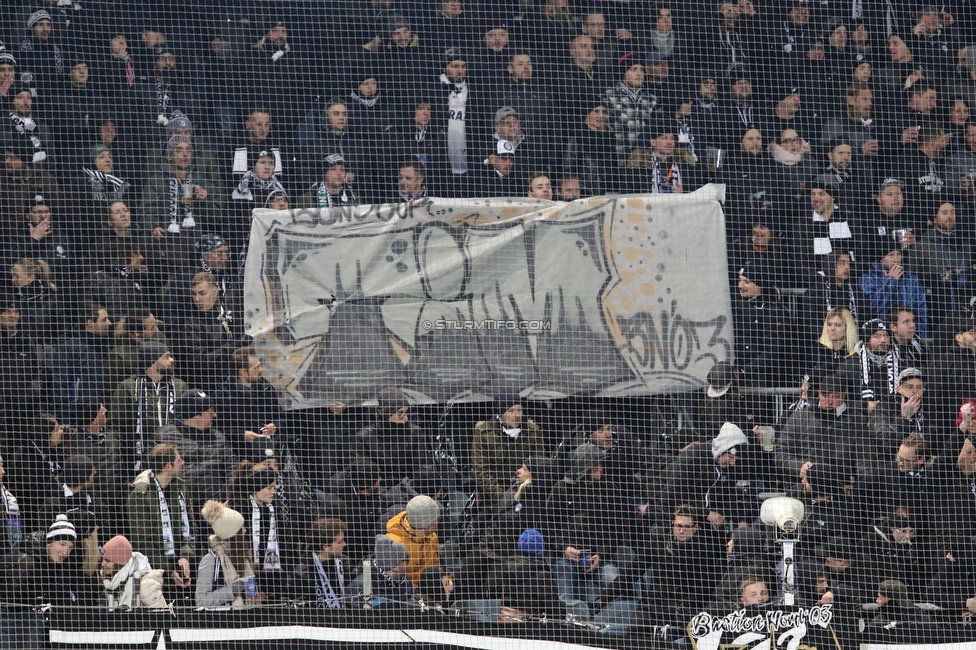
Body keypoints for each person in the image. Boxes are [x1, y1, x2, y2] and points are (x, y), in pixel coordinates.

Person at [126, 443, 194, 602]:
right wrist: (170, 570)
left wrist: (185, 556)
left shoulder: (181, 487)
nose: (183, 462)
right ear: (167, 466)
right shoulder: (139, 496)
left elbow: (190, 528)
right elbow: (142, 542)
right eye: (179, 459)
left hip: (183, 564)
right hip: (155, 571)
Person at [107, 341, 186, 474]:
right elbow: (115, 427)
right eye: (166, 357)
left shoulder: (179, 386)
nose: (172, 360)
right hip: (137, 462)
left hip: (174, 462)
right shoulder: (129, 388)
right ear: (153, 362)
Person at [472, 394, 544, 510]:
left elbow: (539, 467)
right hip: (491, 502)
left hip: (526, 498)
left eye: (519, 410)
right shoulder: (484, 433)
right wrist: (505, 498)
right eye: (511, 411)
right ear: (501, 413)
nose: (517, 415)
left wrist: (521, 493)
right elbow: (481, 472)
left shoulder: (532, 432)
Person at [197, 500, 259, 610]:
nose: (245, 530)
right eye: (241, 528)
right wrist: (232, 590)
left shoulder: (242, 557)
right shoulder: (211, 559)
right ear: (232, 534)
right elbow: (201, 600)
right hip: (223, 622)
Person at [859, 247, 929, 338]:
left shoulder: (912, 280)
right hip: (881, 337)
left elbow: (921, 311)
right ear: (881, 259)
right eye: (891, 255)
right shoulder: (868, 278)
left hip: (909, 337)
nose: (896, 260)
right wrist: (890, 281)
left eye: (898, 254)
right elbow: (874, 308)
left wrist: (921, 338)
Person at [385, 494, 441, 587]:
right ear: (427, 525)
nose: (438, 521)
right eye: (436, 519)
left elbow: (434, 565)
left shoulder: (431, 536)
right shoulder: (391, 544)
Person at [291, 517, 349, 607]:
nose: (344, 544)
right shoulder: (303, 571)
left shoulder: (345, 563)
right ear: (325, 546)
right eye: (339, 542)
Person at [99, 535, 167, 610]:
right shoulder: (110, 583)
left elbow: (163, 618)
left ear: (120, 563)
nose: (102, 564)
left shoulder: (146, 586)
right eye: (103, 560)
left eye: (108, 561)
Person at [348, 534, 412, 607]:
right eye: (407, 560)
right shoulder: (362, 585)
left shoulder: (404, 580)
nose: (408, 564)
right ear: (395, 566)